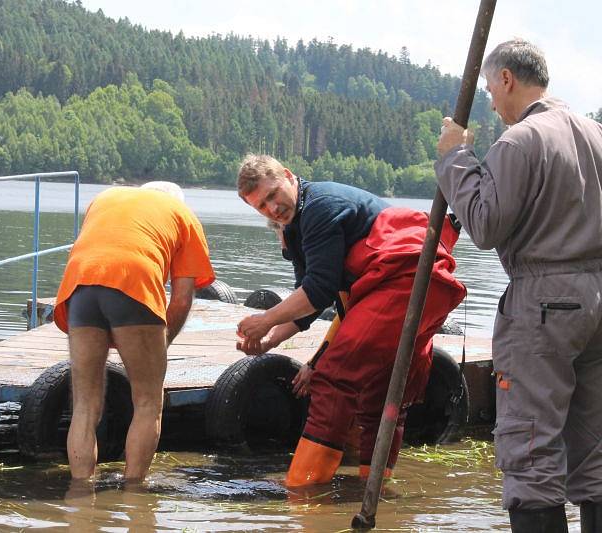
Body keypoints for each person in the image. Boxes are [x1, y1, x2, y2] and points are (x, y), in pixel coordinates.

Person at [435, 39, 602, 533]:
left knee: (529, 449)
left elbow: (485, 225)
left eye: (490, 88)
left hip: (544, 301)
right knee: (596, 450)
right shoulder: (596, 134)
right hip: (597, 298)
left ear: (507, 79)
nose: (490, 101)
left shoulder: (520, 140)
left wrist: (454, 159)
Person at [235, 154, 466, 487]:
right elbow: (310, 301)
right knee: (381, 394)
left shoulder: (318, 207)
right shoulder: (296, 226)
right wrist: (270, 340)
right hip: (424, 285)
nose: (271, 208)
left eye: (272, 195)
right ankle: (371, 491)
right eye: (261, 206)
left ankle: (303, 492)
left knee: (332, 378)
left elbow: (318, 290)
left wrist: (266, 318)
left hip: (405, 280)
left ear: (287, 175)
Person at [53, 181, 215, 482]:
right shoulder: (183, 214)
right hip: (133, 281)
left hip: (79, 285)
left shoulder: (105, 197)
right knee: (148, 402)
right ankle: (134, 494)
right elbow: (181, 298)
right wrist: (160, 344)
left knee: (85, 406)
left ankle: (79, 492)